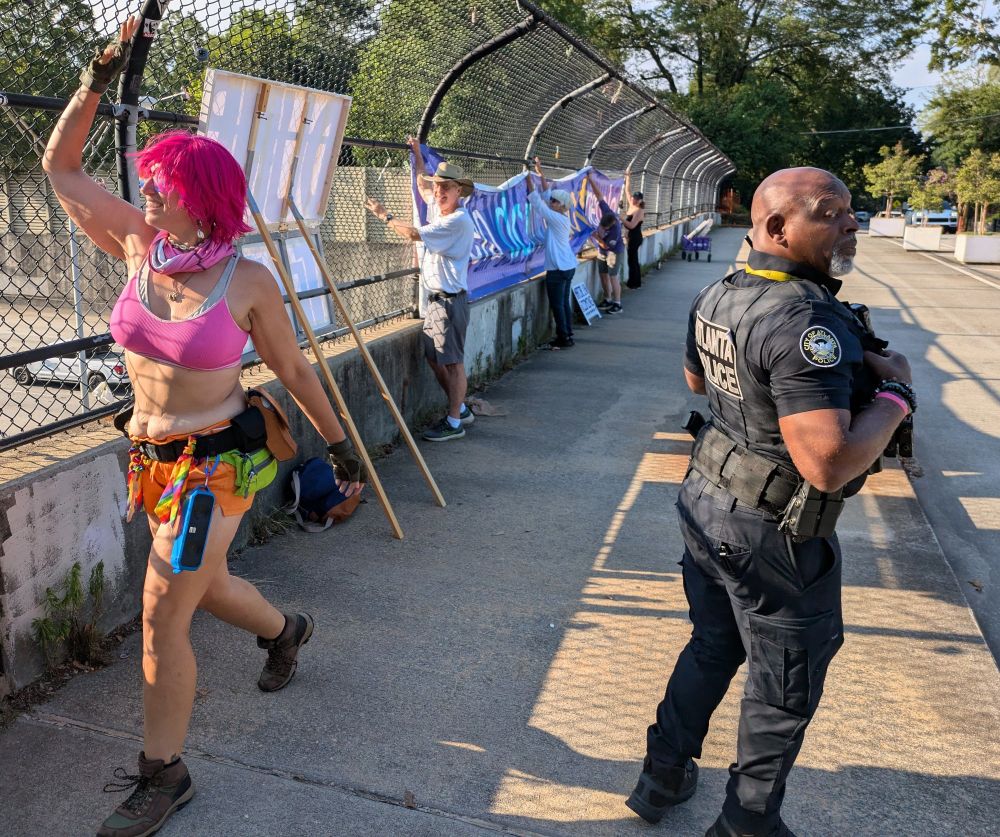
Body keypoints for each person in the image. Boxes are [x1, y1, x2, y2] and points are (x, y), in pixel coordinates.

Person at [43, 18, 367, 837]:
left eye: (161, 184)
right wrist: (95, 77)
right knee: (209, 586)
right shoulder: (136, 245)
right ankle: (286, 629)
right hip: (148, 459)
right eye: (147, 181)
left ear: (202, 200)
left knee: (162, 611)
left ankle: (165, 772)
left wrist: (338, 442)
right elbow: (61, 167)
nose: (146, 191)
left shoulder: (248, 279)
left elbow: (293, 371)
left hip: (213, 467)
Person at [625, 167, 914, 837]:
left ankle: (661, 770)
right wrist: (896, 396)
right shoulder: (808, 320)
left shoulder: (721, 292)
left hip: (709, 501)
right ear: (779, 228)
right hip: (771, 532)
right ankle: (746, 822)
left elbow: (697, 376)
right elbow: (828, 460)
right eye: (830, 212)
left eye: (850, 210)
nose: (850, 222)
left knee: (714, 641)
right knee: (785, 687)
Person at [365, 136, 475, 442]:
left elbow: (413, 233)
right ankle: (460, 408)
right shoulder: (441, 207)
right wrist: (417, 154)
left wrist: (383, 214)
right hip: (438, 301)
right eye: (438, 186)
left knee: (452, 363)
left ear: (458, 191)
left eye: (445, 187)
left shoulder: (456, 221)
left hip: (450, 302)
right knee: (433, 355)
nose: (438, 191)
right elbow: (423, 187)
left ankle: (455, 421)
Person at [526, 156, 578, 349]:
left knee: (558, 304)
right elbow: (546, 195)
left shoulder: (556, 219)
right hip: (567, 265)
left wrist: (527, 177)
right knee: (564, 302)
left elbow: (538, 203)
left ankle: (563, 337)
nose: (551, 202)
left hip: (558, 268)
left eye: (555, 201)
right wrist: (539, 172)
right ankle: (568, 333)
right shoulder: (561, 216)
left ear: (562, 205)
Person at [585, 171, 624, 314]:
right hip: (602, 252)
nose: (603, 228)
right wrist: (590, 180)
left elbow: (606, 245)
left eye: (605, 228)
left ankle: (617, 303)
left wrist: (596, 237)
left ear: (611, 225)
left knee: (613, 276)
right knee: (602, 274)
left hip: (613, 252)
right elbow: (599, 196)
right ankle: (607, 298)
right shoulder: (607, 212)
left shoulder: (615, 231)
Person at [622, 170, 645, 289]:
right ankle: (635, 282)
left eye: (636, 198)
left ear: (640, 200)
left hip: (635, 237)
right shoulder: (632, 205)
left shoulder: (639, 210)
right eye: (633, 198)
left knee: (632, 260)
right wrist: (628, 177)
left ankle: (634, 283)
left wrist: (621, 219)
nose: (633, 199)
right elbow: (627, 191)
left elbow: (631, 226)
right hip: (631, 237)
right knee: (632, 259)